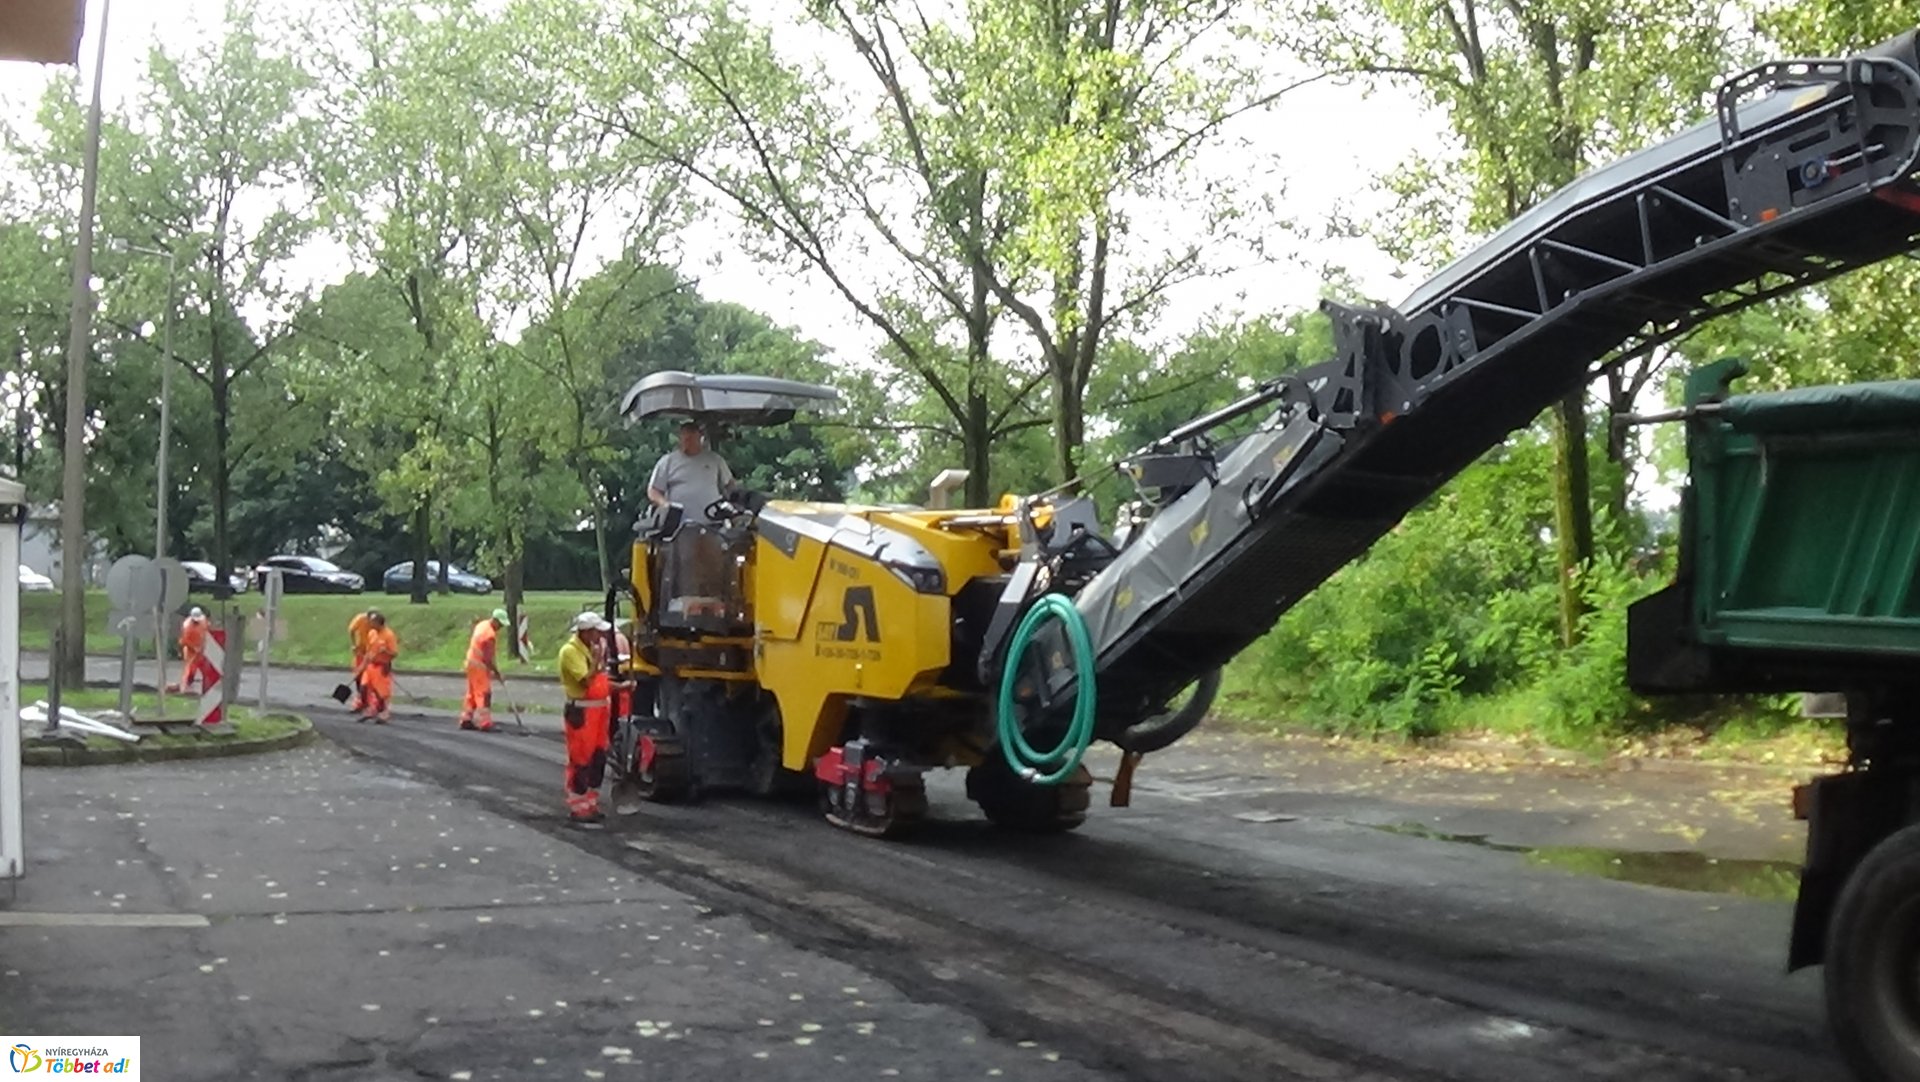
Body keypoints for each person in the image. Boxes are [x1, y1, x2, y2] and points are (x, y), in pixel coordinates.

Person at [558, 611, 619, 824]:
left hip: (599, 713)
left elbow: (600, 682)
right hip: (581, 713)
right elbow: (585, 681)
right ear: (585, 632)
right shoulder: (570, 652)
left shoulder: (591, 650)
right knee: (581, 759)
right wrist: (595, 661)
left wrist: (619, 687)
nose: (599, 636)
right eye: (596, 632)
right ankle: (578, 806)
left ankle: (591, 804)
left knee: (597, 757)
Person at [647, 419, 735, 523]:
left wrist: (730, 503)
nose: (687, 441)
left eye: (690, 438)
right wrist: (665, 504)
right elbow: (653, 491)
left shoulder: (715, 460)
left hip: (712, 522)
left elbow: (730, 484)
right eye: (684, 438)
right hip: (679, 524)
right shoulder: (667, 462)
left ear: (699, 437)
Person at [460, 608, 509, 732]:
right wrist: (498, 674)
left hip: (470, 662)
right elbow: (488, 658)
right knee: (484, 694)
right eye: (501, 624)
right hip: (479, 667)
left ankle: (466, 718)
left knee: (472, 692)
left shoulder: (482, 625)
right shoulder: (489, 636)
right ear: (495, 620)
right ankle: (485, 722)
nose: (501, 627)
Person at [358, 611, 399, 724]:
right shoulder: (372, 633)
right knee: (364, 687)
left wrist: (385, 651)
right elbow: (369, 651)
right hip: (370, 665)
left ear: (378, 623)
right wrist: (362, 665)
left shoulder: (389, 635)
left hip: (382, 666)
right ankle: (371, 708)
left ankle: (384, 711)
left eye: (372, 622)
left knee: (381, 692)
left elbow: (394, 653)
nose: (370, 624)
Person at [168, 607, 209, 693]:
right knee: (189, 666)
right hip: (189, 647)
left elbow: (206, 631)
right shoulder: (187, 626)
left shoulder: (203, 620)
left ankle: (193, 680)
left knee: (199, 665)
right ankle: (185, 685)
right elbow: (184, 640)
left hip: (200, 646)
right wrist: (193, 648)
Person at [347, 609, 375, 711]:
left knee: (372, 678)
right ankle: (361, 702)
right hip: (360, 650)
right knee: (358, 676)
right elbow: (351, 630)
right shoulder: (360, 619)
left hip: (371, 652)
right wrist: (354, 645)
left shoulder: (378, 624)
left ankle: (372, 703)